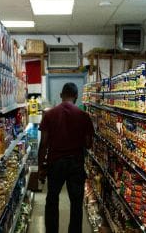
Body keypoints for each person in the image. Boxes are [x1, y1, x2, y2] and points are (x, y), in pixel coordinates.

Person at [38, 82, 94, 233]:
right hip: (76, 164)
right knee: (76, 204)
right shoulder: (84, 116)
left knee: (52, 200)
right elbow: (88, 144)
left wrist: (41, 167)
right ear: (76, 97)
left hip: (55, 163)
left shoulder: (49, 115)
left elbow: (43, 144)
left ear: (61, 95)